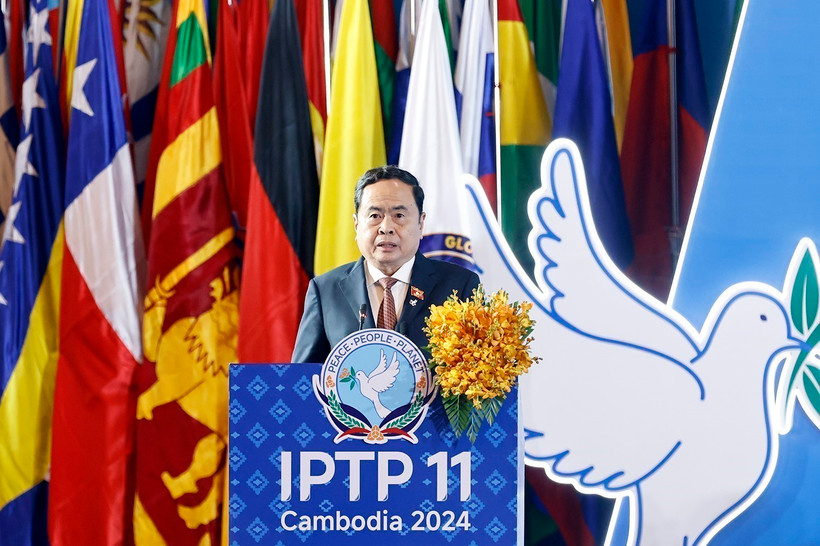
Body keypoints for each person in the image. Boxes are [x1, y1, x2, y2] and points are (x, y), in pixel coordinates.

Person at [292, 165, 480, 363]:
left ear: (420, 223)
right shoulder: (325, 290)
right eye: (375, 216)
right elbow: (303, 378)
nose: (386, 228)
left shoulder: (460, 286)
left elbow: (481, 374)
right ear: (356, 225)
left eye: (399, 216)